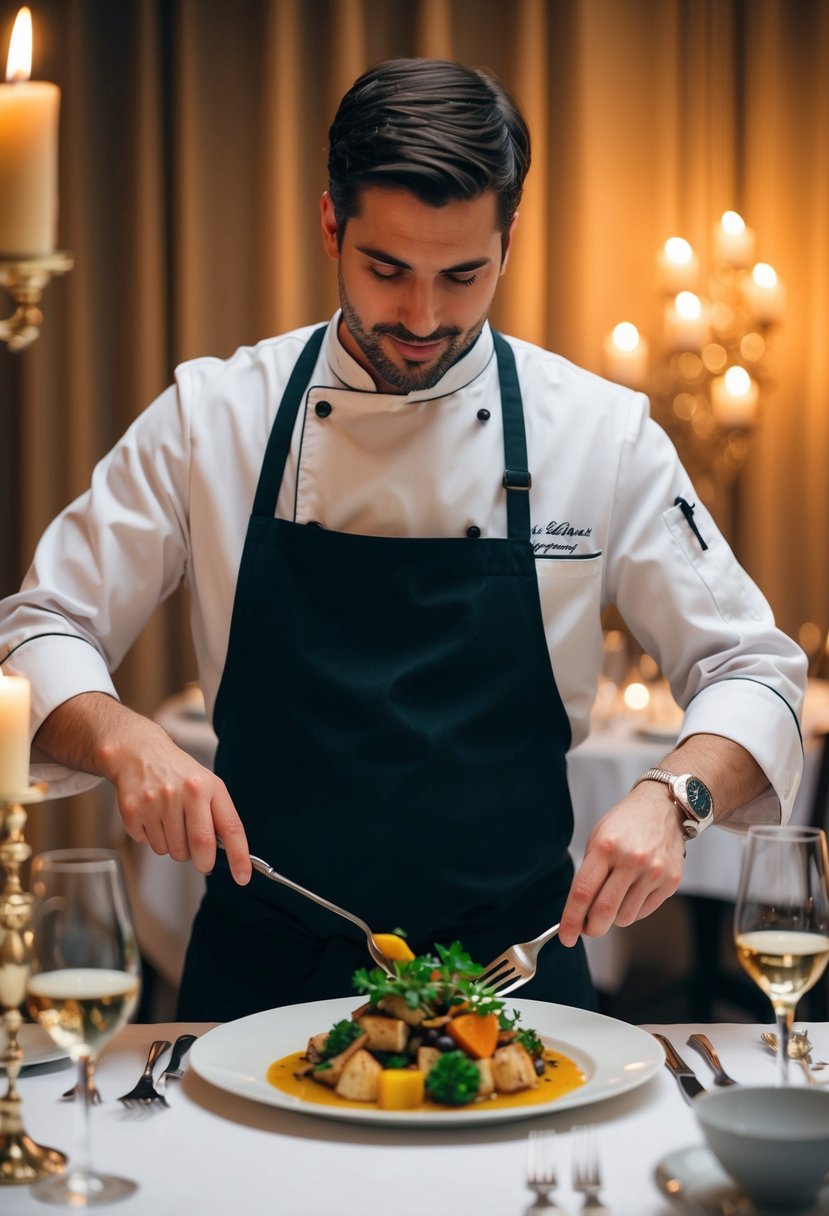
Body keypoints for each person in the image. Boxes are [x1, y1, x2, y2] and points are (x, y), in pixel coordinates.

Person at [0, 58, 806, 1021]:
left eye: (462, 275)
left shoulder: (599, 433)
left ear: (507, 243)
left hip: (517, 978)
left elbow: (754, 668)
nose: (423, 319)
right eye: (388, 270)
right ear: (331, 226)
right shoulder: (213, 415)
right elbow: (35, 631)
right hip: (262, 981)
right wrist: (125, 738)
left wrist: (676, 798)